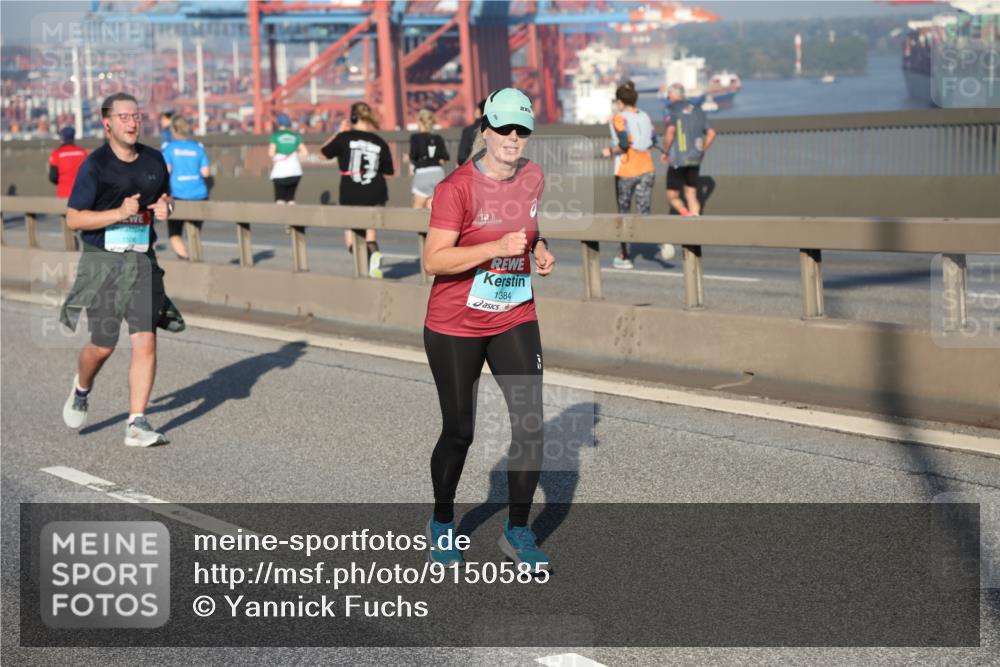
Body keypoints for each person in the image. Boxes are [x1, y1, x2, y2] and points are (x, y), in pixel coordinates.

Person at [421, 88, 556, 572]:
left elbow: (530, 228)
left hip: (514, 313)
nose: (513, 139)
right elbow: (433, 260)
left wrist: (537, 250)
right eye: (504, 129)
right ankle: (442, 520)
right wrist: (494, 245)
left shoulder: (535, 176)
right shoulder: (456, 188)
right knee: (460, 432)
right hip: (455, 323)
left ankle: (518, 530)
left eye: (522, 130)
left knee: (531, 424)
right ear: (485, 130)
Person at [60, 92, 173, 447]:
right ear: (107, 123)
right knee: (103, 346)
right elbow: (73, 219)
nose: (132, 122)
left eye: (136, 115)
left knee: (146, 341)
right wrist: (118, 214)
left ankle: (136, 422)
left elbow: (164, 199)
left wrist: (168, 206)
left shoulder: (154, 159)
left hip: (140, 259)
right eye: (123, 116)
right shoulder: (95, 165)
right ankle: (82, 387)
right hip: (103, 261)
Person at [319, 102, 394, 279]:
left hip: (351, 190)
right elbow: (389, 173)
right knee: (370, 233)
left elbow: (323, 154)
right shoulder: (380, 142)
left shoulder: (344, 138)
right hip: (376, 190)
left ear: (353, 117)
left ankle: (366, 264)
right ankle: (374, 257)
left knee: (351, 235)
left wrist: (339, 132)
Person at [601, 81, 658, 269]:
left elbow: (624, 144)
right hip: (647, 168)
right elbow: (653, 139)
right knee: (644, 211)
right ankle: (662, 241)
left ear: (619, 101)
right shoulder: (645, 116)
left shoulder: (618, 118)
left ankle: (624, 256)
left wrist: (610, 151)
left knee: (623, 213)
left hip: (627, 171)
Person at [662, 83, 716, 219]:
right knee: (691, 195)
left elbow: (671, 131)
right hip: (695, 159)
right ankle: (695, 220)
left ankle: (685, 213)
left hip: (677, 160)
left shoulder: (670, 109)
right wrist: (702, 150)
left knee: (672, 195)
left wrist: (665, 151)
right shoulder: (698, 110)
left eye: (669, 95)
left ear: (673, 95)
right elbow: (711, 133)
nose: (668, 98)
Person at [161, 115, 210, 259]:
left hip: (177, 196)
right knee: (194, 232)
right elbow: (205, 173)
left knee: (174, 233)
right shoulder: (198, 147)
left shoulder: (170, 148)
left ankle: (186, 259)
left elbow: (166, 170)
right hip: (200, 195)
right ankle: (196, 258)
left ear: (174, 130)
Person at [409, 108, 450, 209]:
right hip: (438, 173)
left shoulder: (415, 137)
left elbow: (413, 155)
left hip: (422, 173)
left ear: (420, 122)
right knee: (432, 210)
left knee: (417, 209)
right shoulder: (438, 138)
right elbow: (445, 157)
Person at [269, 112, 308, 205]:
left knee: (279, 199)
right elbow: (305, 152)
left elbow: (271, 153)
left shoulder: (275, 136)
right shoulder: (295, 136)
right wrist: (294, 155)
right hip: (295, 171)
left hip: (280, 171)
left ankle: (280, 218)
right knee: (291, 199)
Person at [48, 126, 89, 199]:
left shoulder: (56, 154)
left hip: (64, 195)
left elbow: (53, 177)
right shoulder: (83, 153)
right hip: (81, 196)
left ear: (62, 138)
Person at [456, 97, 487, 166]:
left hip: (474, 169)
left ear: (479, 111)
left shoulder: (469, 130)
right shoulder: (500, 130)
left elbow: (462, 157)